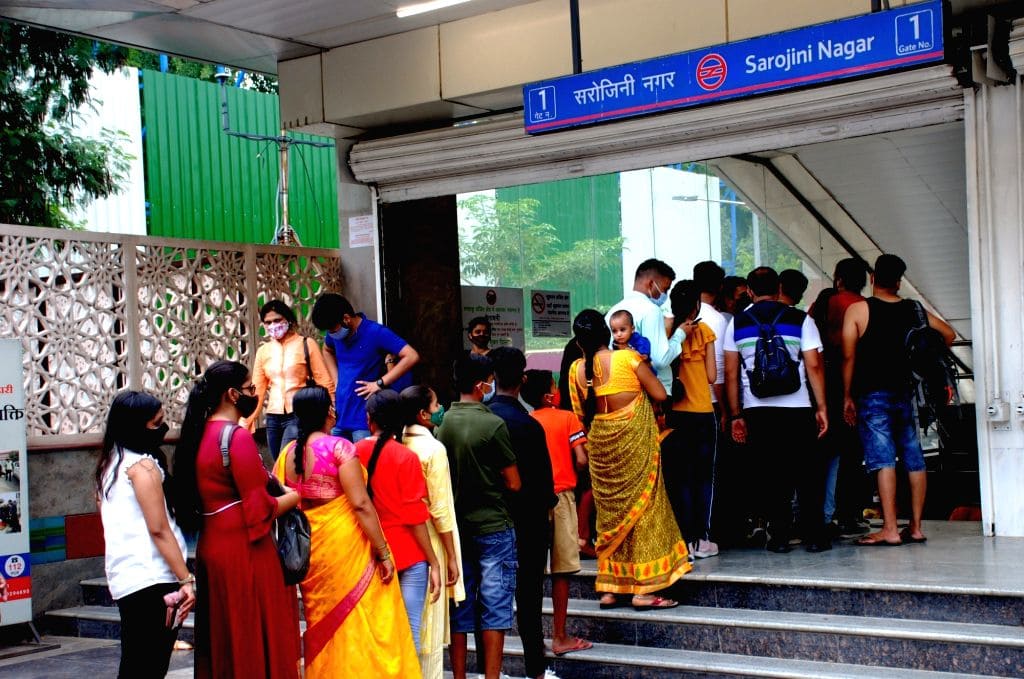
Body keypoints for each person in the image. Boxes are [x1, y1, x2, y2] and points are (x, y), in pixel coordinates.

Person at [277, 386, 420, 678]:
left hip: (310, 547)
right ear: (327, 412)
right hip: (345, 545)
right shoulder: (339, 448)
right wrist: (383, 552)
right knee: (359, 617)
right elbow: (361, 504)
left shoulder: (287, 454)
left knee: (323, 620)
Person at [172, 360, 302, 679]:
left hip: (212, 546)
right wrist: (294, 497)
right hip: (245, 549)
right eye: (250, 388)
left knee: (224, 635)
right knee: (253, 630)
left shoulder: (197, 433)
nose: (254, 394)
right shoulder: (236, 437)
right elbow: (260, 510)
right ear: (232, 394)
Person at [568, 309, 690, 609]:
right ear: (606, 334)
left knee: (610, 516)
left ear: (579, 343)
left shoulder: (576, 370)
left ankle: (611, 589)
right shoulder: (628, 359)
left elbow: (580, 415)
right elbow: (660, 395)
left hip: (601, 447)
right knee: (644, 510)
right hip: (634, 444)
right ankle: (644, 591)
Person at [842, 254, 955, 546]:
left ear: (872, 278)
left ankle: (890, 529)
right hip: (908, 392)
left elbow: (848, 356)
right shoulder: (914, 310)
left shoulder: (859, 310)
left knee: (883, 460)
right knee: (914, 458)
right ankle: (915, 527)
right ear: (899, 281)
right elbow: (949, 334)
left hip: (872, 393)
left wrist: (847, 395)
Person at [724, 267, 830, 553]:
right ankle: (814, 536)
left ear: (749, 291)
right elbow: (814, 366)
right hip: (798, 408)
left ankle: (780, 537)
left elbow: (731, 374)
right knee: (807, 474)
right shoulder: (801, 319)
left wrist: (736, 415)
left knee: (771, 474)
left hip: (757, 410)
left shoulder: (737, 323)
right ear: (779, 288)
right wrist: (821, 407)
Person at [97, 390, 194, 679]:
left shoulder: (109, 465)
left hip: (128, 578)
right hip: (152, 577)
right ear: (135, 427)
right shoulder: (142, 467)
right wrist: (186, 579)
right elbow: (159, 529)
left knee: (137, 664)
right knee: (148, 666)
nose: (163, 428)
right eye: (156, 423)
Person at [435, 353, 520, 679]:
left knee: (460, 603)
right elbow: (514, 482)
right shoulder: (493, 425)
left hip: (456, 529)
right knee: (495, 605)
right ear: (480, 384)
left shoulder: (442, 423)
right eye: (490, 381)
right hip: (493, 525)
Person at [487, 347, 559, 679]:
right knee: (529, 599)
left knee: (488, 598)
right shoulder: (527, 425)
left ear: (491, 378)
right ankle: (535, 670)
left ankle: (490, 670)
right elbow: (544, 485)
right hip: (528, 522)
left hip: (489, 521)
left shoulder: (482, 420)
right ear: (523, 379)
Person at [356, 390, 441, 653]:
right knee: (409, 632)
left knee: (375, 635)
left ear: (369, 419)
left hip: (369, 552)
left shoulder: (354, 453)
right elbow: (415, 517)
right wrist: (434, 562)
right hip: (409, 554)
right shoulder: (406, 457)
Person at [522, 369, 593, 657]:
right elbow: (581, 459)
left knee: (533, 572)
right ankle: (560, 636)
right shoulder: (568, 418)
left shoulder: (528, 420)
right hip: (562, 497)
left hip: (534, 500)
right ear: (549, 395)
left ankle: (534, 637)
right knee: (561, 571)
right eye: (554, 386)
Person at [400, 385, 465, 679]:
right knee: (429, 630)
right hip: (431, 544)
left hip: (403, 542)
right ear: (423, 415)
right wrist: (450, 556)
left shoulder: (397, 443)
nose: (441, 409)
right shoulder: (433, 450)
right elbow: (440, 510)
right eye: (436, 404)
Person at [809, 258, 870, 535]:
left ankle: (821, 514)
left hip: (824, 382)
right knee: (853, 453)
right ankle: (849, 514)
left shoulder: (824, 302)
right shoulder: (864, 307)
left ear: (839, 278)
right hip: (856, 383)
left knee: (825, 452)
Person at [311, 293, 420, 442]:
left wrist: (380, 383)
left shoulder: (376, 332)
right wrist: (336, 380)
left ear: (346, 318)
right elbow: (327, 350)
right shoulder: (335, 334)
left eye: (332, 329)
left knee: (363, 457)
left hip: (364, 421)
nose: (330, 334)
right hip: (339, 418)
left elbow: (411, 356)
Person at [662, 280, 719, 559]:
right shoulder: (704, 331)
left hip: (675, 416)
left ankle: (683, 542)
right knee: (703, 478)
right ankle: (701, 540)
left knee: (679, 479)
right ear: (696, 305)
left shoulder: (667, 331)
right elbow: (712, 376)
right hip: (703, 414)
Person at [242, 300, 335, 458]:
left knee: (286, 459)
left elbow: (324, 381)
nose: (273, 325)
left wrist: (332, 414)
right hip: (273, 417)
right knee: (278, 463)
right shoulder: (263, 351)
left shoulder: (306, 344)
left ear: (288, 320)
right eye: (268, 322)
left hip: (298, 414)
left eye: (277, 320)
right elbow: (257, 390)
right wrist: (246, 421)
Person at [607, 258, 684, 393]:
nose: (664, 295)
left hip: (621, 388)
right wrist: (680, 335)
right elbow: (660, 360)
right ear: (651, 284)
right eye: (665, 289)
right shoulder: (651, 310)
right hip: (651, 391)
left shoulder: (612, 312)